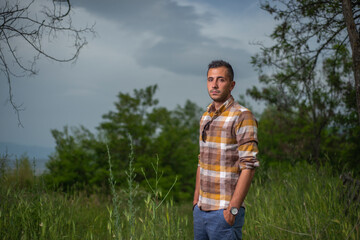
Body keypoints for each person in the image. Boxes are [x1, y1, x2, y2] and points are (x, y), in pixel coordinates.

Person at [193, 60, 259, 240]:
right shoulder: (205, 116)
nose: (214, 85)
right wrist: (195, 201)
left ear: (232, 85)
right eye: (210, 79)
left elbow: (249, 166)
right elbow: (202, 160)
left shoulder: (242, 116)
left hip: (224, 213)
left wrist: (233, 209)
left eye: (220, 80)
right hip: (201, 212)